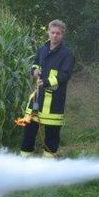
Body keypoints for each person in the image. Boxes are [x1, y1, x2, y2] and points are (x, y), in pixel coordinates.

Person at [20, 20, 75, 157]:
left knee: (52, 135)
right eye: (53, 32)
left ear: (62, 35)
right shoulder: (42, 49)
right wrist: (34, 71)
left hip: (54, 101)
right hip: (37, 98)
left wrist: (47, 82)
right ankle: (24, 161)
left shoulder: (67, 54)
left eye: (58, 33)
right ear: (48, 32)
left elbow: (65, 75)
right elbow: (35, 64)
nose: (55, 36)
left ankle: (48, 166)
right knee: (29, 132)